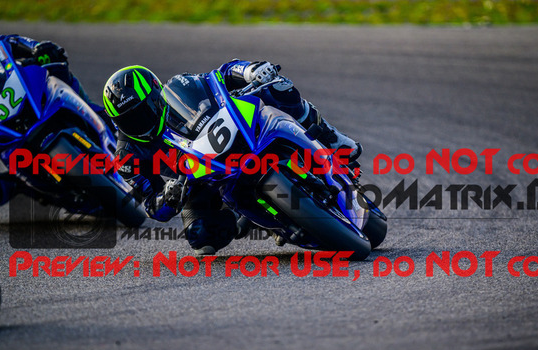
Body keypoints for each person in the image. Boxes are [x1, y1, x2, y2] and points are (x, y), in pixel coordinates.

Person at [103, 61, 362, 255]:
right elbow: (152, 206)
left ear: (156, 96)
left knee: (278, 88)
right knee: (201, 238)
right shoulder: (126, 156)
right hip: (196, 180)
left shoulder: (180, 86)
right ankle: (271, 221)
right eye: (128, 120)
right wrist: (168, 197)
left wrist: (250, 71)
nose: (139, 123)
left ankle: (332, 138)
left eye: (142, 112)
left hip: (229, 134)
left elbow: (220, 75)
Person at [0, 35, 102, 220]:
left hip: (8, 94)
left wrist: (37, 48)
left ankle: (104, 122)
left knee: (53, 68)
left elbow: (4, 42)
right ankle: (52, 187)